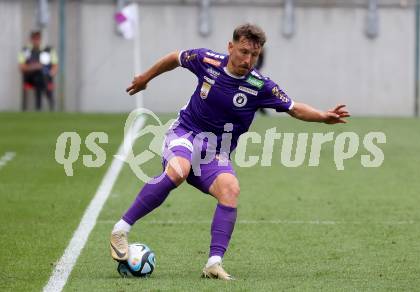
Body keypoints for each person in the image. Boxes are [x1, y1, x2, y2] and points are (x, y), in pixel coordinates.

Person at [110, 23, 350, 280]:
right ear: (230, 46)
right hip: (185, 134)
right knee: (179, 170)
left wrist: (323, 117)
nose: (248, 60)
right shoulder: (207, 60)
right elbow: (174, 58)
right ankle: (120, 230)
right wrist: (145, 78)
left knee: (230, 189)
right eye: (244, 52)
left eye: (254, 55)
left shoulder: (260, 85)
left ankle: (213, 263)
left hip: (214, 154)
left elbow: (293, 107)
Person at [18, 30, 58, 111]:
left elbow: (55, 65)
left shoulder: (49, 49)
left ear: (40, 39)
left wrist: (50, 73)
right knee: (39, 76)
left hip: (46, 77)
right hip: (30, 78)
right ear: (31, 39)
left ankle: (38, 106)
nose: (36, 41)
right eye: (34, 38)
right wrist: (34, 67)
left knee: (41, 77)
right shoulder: (25, 50)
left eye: (37, 38)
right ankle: (50, 102)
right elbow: (21, 67)